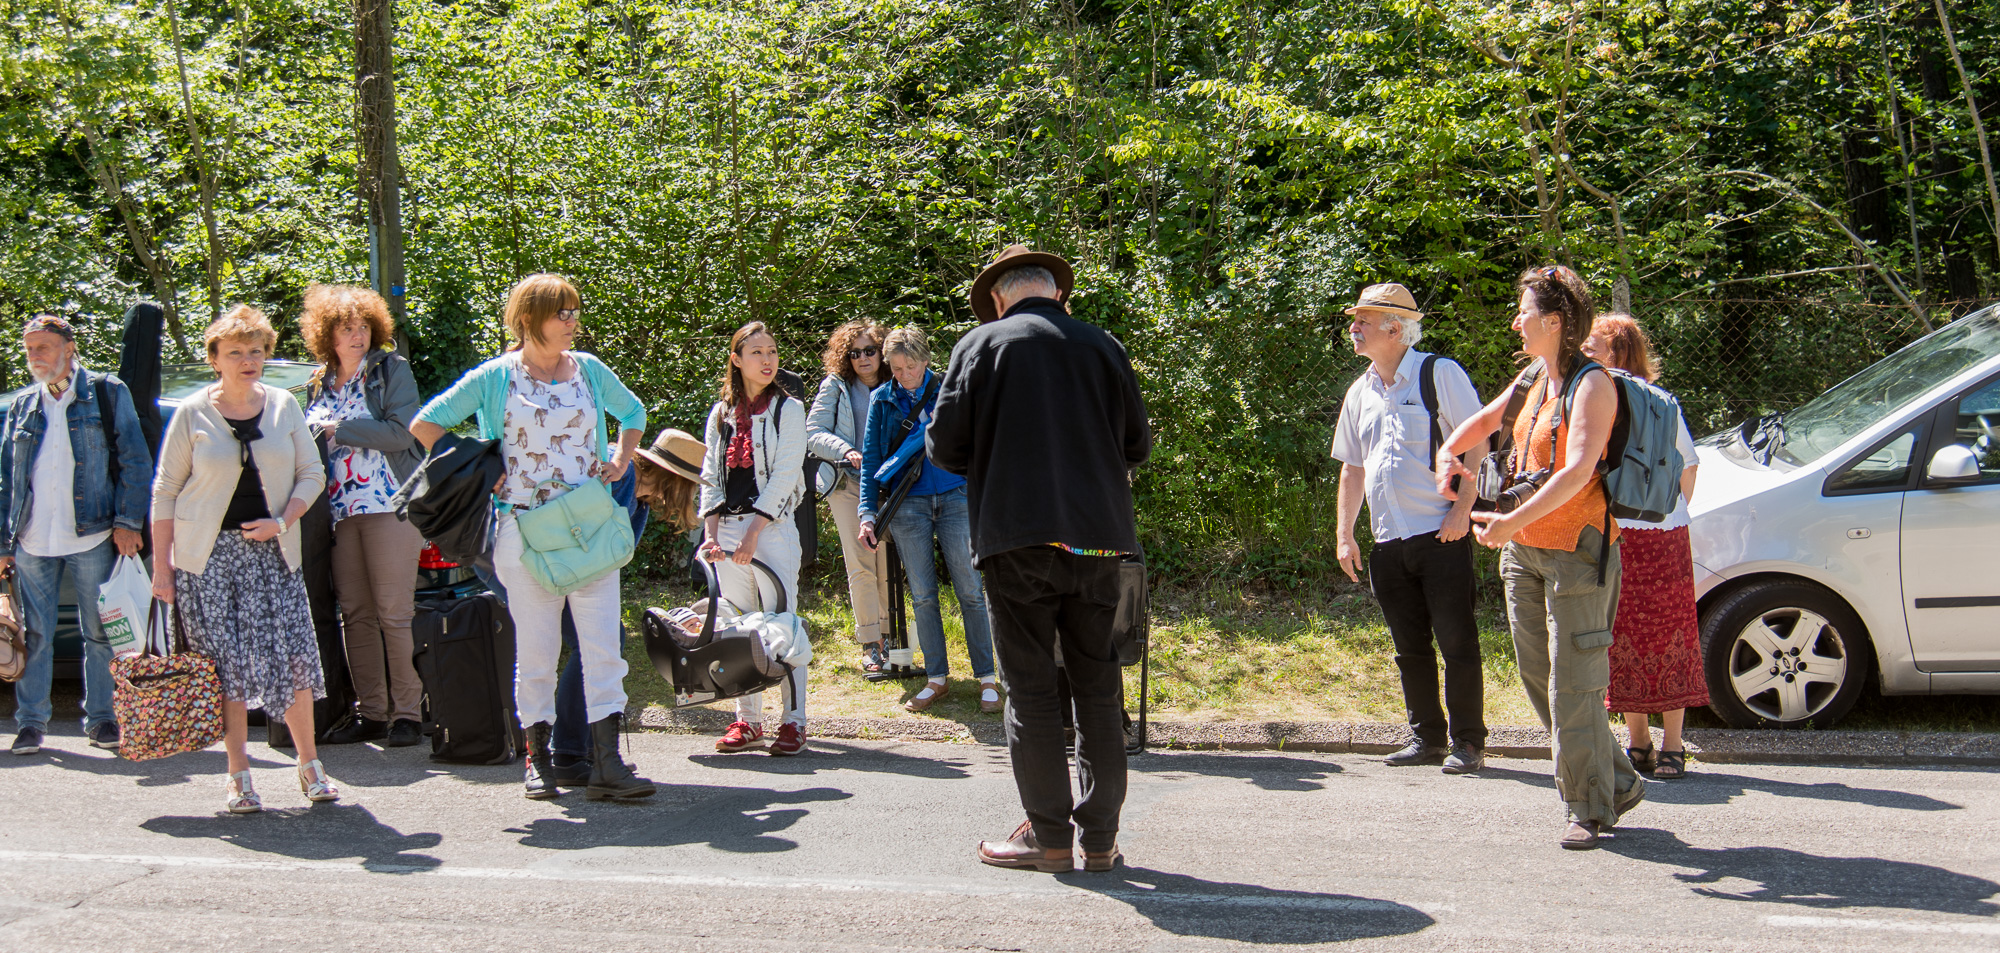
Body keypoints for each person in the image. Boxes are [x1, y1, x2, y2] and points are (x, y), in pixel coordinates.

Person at [929, 245, 1150, 873]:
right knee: (1097, 689)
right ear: (1057, 293)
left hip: (1016, 536)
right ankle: (1100, 840)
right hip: (1097, 538)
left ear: (999, 298)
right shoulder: (1102, 345)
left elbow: (944, 447)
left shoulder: (980, 346)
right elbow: (1137, 442)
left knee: (1030, 692)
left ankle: (1050, 837)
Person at [410, 274, 655, 801]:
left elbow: (633, 413)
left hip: (587, 526)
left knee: (603, 648)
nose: (572, 322)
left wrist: (619, 460)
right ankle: (537, 762)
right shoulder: (495, 376)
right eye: (561, 313)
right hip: (522, 530)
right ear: (529, 319)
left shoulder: (588, 369)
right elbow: (425, 426)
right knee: (538, 650)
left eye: (574, 312)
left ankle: (607, 764)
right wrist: (481, 464)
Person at [1435, 265, 1645, 850]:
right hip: (1525, 551)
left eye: (1524, 313)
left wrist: (1509, 522)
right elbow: (1488, 420)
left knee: (1572, 686)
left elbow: (1578, 469)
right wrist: (1449, 452)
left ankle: (1587, 807)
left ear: (1554, 321)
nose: (1516, 322)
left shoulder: (1593, 384)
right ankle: (1618, 782)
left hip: (1578, 551)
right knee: (1538, 675)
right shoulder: (1534, 376)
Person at [150, 306, 335, 812]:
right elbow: (164, 491)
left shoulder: (282, 405)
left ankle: (310, 767)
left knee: (293, 657)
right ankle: (239, 776)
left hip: (273, 553)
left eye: (256, 350)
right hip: (207, 560)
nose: (249, 360)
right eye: (236, 352)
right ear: (215, 359)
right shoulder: (193, 413)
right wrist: (162, 569)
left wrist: (284, 520)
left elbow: (312, 474)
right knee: (226, 668)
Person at [1330, 283, 1488, 774]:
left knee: (1457, 642)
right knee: (1409, 648)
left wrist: (1463, 510)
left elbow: (1479, 445)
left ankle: (1468, 743)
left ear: (1395, 329)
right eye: (1354, 320)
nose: (1353, 328)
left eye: (1364, 321)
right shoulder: (1360, 391)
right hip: (1388, 541)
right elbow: (1352, 468)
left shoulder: (1439, 373)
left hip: (1441, 534)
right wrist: (1344, 534)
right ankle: (1427, 739)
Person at [0, 313, 152, 756]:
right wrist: (3, 544)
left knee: (101, 634)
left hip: (92, 535)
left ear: (69, 348)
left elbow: (135, 461)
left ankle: (102, 720)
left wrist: (128, 523)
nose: (34, 357)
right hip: (32, 540)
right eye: (29, 350)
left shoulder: (105, 392)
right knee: (34, 635)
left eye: (42, 348)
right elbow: (7, 480)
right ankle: (31, 724)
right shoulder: (23, 404)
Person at [298, 284, 427, 748]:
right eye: (347, 329)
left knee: (394, 613)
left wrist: (339, 430)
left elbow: (402, 433)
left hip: (390, 505)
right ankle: (372, 713)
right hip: (336, 512)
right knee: (356, 614)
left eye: (364, 327)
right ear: (326, 336)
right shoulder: (317, 382)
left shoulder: (391, 370)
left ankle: (409, 714)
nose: (358, 337)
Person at [1583, 313, 1705, 780]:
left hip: (1618, 531)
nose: (1585, 354)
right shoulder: (1662, 401)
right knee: (1665, 636)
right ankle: (1668, 748)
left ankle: (1643, 744)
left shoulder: (1599, 402)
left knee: (1627, 634)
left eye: (1593, 347)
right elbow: (1688, 471)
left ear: (1616, 352)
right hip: (1665, 532)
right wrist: (1666, 511)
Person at [857, 327, 1000, 714]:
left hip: (956, 496)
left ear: (926, 360)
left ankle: (988, 677)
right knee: (922, 594)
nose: (903, 375)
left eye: (910, 366)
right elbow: (872, 459)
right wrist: (867, 513)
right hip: (908, 504)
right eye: (896, 367)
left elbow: (980, 442)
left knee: (970, 589)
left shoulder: (949, 391)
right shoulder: (881, 400)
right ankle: (936, 677)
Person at [700, 322, 811, 756]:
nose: (767, 360)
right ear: (736, 360)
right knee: (738, 628)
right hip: (728, 530)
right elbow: (711, 475)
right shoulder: (721, 413)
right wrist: (711, 535)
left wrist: (753, 532)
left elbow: (785, 475)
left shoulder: (789, 409)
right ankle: (748, 721)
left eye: (773, 351)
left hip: (771, 529)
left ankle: (794, 722)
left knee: (783, 625)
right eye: (757, 352)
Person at [806, 320, 895, 675]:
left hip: (888, 484)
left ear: (882, 351)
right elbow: (812, 432)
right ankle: (872, 643)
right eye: (854, 352)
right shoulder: (837, 386)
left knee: (887, 562)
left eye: (869, 350)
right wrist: (845, 450)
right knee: (861, 563)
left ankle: (894, 637)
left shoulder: (897, 382)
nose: (862, 358)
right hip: (846, 483)